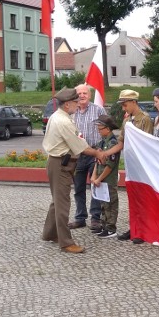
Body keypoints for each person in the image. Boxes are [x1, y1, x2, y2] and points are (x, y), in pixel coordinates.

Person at [41, 87, 103, 254]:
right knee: (62, 204)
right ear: (67, 104)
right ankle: (66, 242)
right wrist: (97, 152)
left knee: (57, 201)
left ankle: (50, 233)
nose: (78, 104)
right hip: (60, 163)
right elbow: (79, 146)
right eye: (75, 102)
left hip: (59, 162)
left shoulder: (59, 116)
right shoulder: (63, 121)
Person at [99, 89, 154, 244]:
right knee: (133, 198)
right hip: (131, 165)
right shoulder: (127, 121)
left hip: (142, 165)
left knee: (143, 198)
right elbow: (121, 143)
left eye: (125, 104)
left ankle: (144, 230)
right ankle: (135, 228)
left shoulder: (145, 119)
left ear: (134, 102)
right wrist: (106, 153)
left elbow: (147, 144)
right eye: (122, 105)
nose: (124, 108)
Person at [69, 84, 107, 233]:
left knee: (95, 186)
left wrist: (102, 149)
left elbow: (107, 129)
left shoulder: (98, 110)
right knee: (78, 187)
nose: (82, 96)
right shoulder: (72, 112)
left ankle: (95, 218)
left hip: (94, 152)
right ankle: (80, 218)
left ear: (90, 96)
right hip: (78, 154)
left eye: (85, 93)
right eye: (79, 93)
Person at [90, 115, 121, 239]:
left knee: (111, 203)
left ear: (107, 129)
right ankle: (104, 224)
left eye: (100, 128)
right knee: (103, 203)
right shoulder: (102, 142)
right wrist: (94, 176)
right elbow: (97, 161)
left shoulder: (113, 143)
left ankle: (111, 228)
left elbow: (110, 165)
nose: (98, 130)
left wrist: (99, 178)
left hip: (108, 179)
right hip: (100, 179)